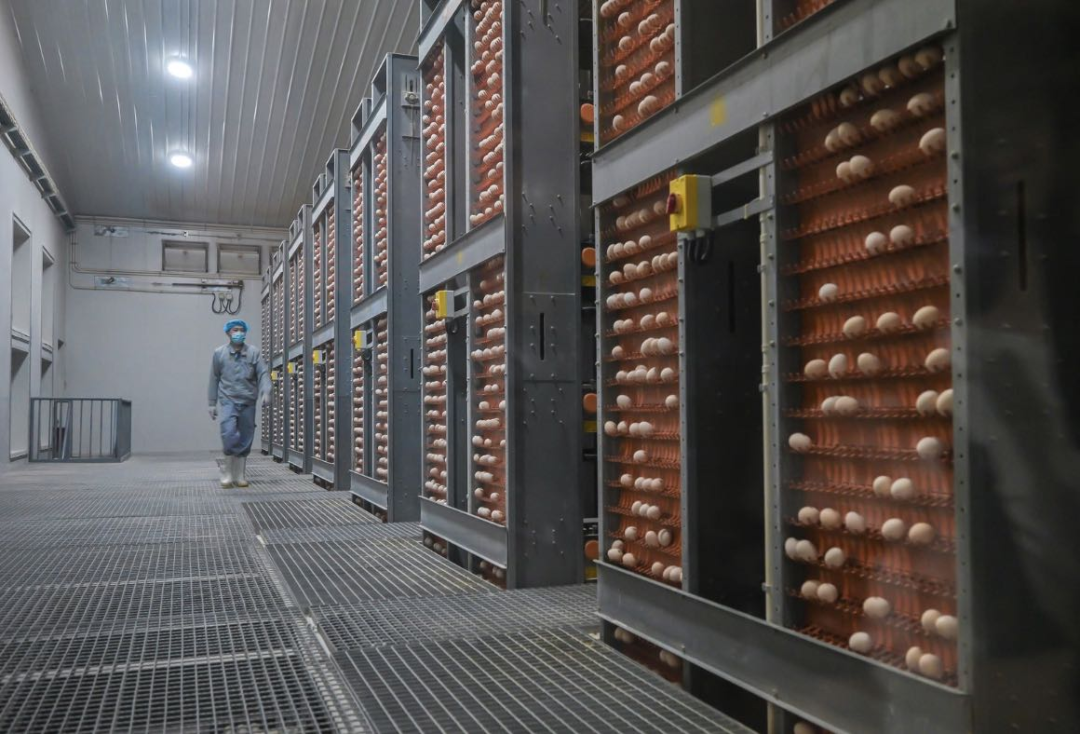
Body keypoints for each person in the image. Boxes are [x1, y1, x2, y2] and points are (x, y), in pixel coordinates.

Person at [208, 319, 270, 487]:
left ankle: (239, 474)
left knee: (245, 436)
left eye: (242, 330)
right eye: (235, 330)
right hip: (228, 399)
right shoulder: (219, 353)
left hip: (248, 400)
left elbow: (263, 373)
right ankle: (227, 472)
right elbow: (214, 379)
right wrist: (212, 403)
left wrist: (266, 391)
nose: (239, 333)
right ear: (228, 332)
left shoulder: (253, 353)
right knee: (228, 433)